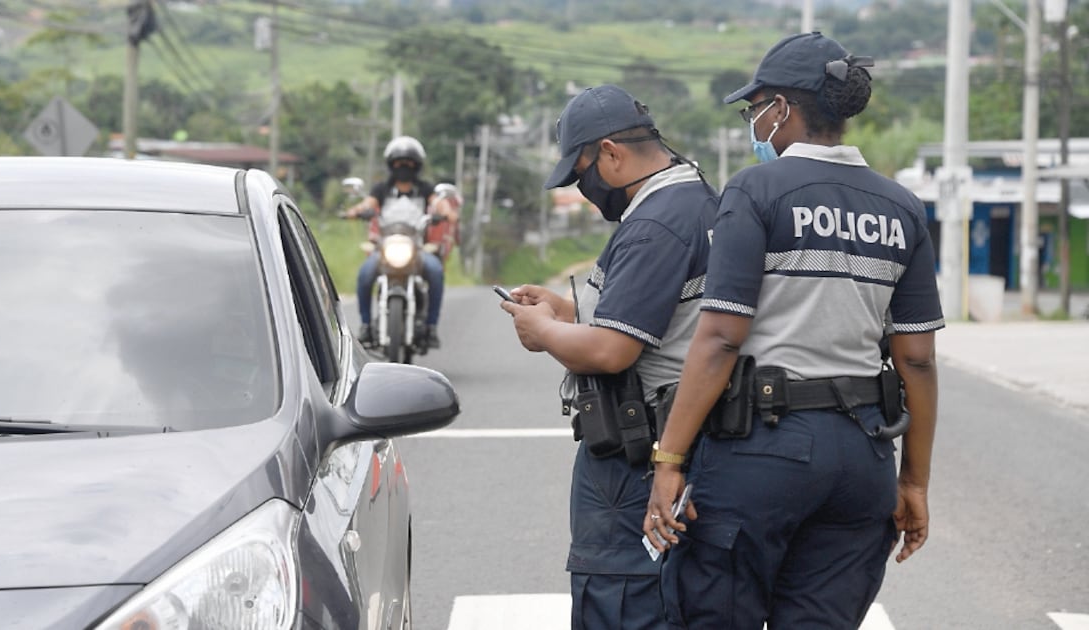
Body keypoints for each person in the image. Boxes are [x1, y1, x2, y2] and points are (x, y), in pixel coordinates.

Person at [642, 32, 944, 628]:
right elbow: (918, 362)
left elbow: (722, 337)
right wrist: (914, 481)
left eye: (756, 109)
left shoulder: (755, 192)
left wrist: (669, 459)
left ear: (783, 107)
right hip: (863, 459)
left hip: (763, 452)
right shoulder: (902, 208)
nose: (754, 123)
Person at [499, 85, 717, 630]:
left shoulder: (655, 223)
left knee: (619, 602)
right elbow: (644, 321)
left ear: (612, 154)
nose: (586, 190)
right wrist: (564, 312)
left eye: (582, 175)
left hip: (635, 454)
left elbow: (612, 350)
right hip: (681, 443)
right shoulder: (698, 202)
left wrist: (544, 331)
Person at [344, 135, 458, 348]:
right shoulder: (381, 189)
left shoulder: (424, 189)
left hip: (416, 247)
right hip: (385, 247)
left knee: (435, 272)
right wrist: (356, 211)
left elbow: (439, 204)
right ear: (391, 165)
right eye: (399, 162)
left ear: (417, 166)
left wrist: (446, 211)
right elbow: (368, 203)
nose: (403, 167)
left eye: (409, 162)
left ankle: (431, 326)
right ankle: (366, 325)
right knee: (365, 274)